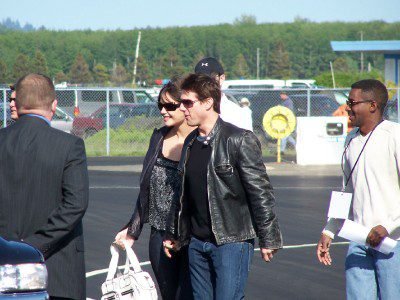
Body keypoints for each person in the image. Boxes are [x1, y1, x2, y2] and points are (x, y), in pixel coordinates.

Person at [164, 73, 282, 300]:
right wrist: (176, 233)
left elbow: (260, 193)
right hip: (197, 244)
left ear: (208, 102)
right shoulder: (190, 142)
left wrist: (269, 238)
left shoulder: (238, 139)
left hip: (231, 242)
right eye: (181, 103)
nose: (183, 109)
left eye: (188, 103)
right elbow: (183, 196)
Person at [0, 74, 89, 300]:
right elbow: (75, 204)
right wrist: (35, 245)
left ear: (17, 104)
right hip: (58, 268)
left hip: (4, 266)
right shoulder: (70, 146)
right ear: (54, 104)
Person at [317, 79, 400, 299]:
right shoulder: (350, 139)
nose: (347, 107)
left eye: (352, 102)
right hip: (359, 240)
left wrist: (388, 226)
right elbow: (346, 189)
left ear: (372, 105)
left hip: (393, 243)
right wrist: (329, 229)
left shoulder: (394, 135)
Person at [114, 78, 194, 300]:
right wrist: (133, 229)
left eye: (169, 106)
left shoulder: (199, 140)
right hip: (159, 234)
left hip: (190, 236)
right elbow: (146, 189)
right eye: (160, 105)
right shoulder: (158, 137)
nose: (163, 111)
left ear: (185, 106)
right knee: (168, 295)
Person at [194, 57, 253, 131]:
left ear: (221, 78)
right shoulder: (189, 111)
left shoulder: (238, 114)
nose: (203, 84)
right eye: (199, 80)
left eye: (209, 79)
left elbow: (247, 141)